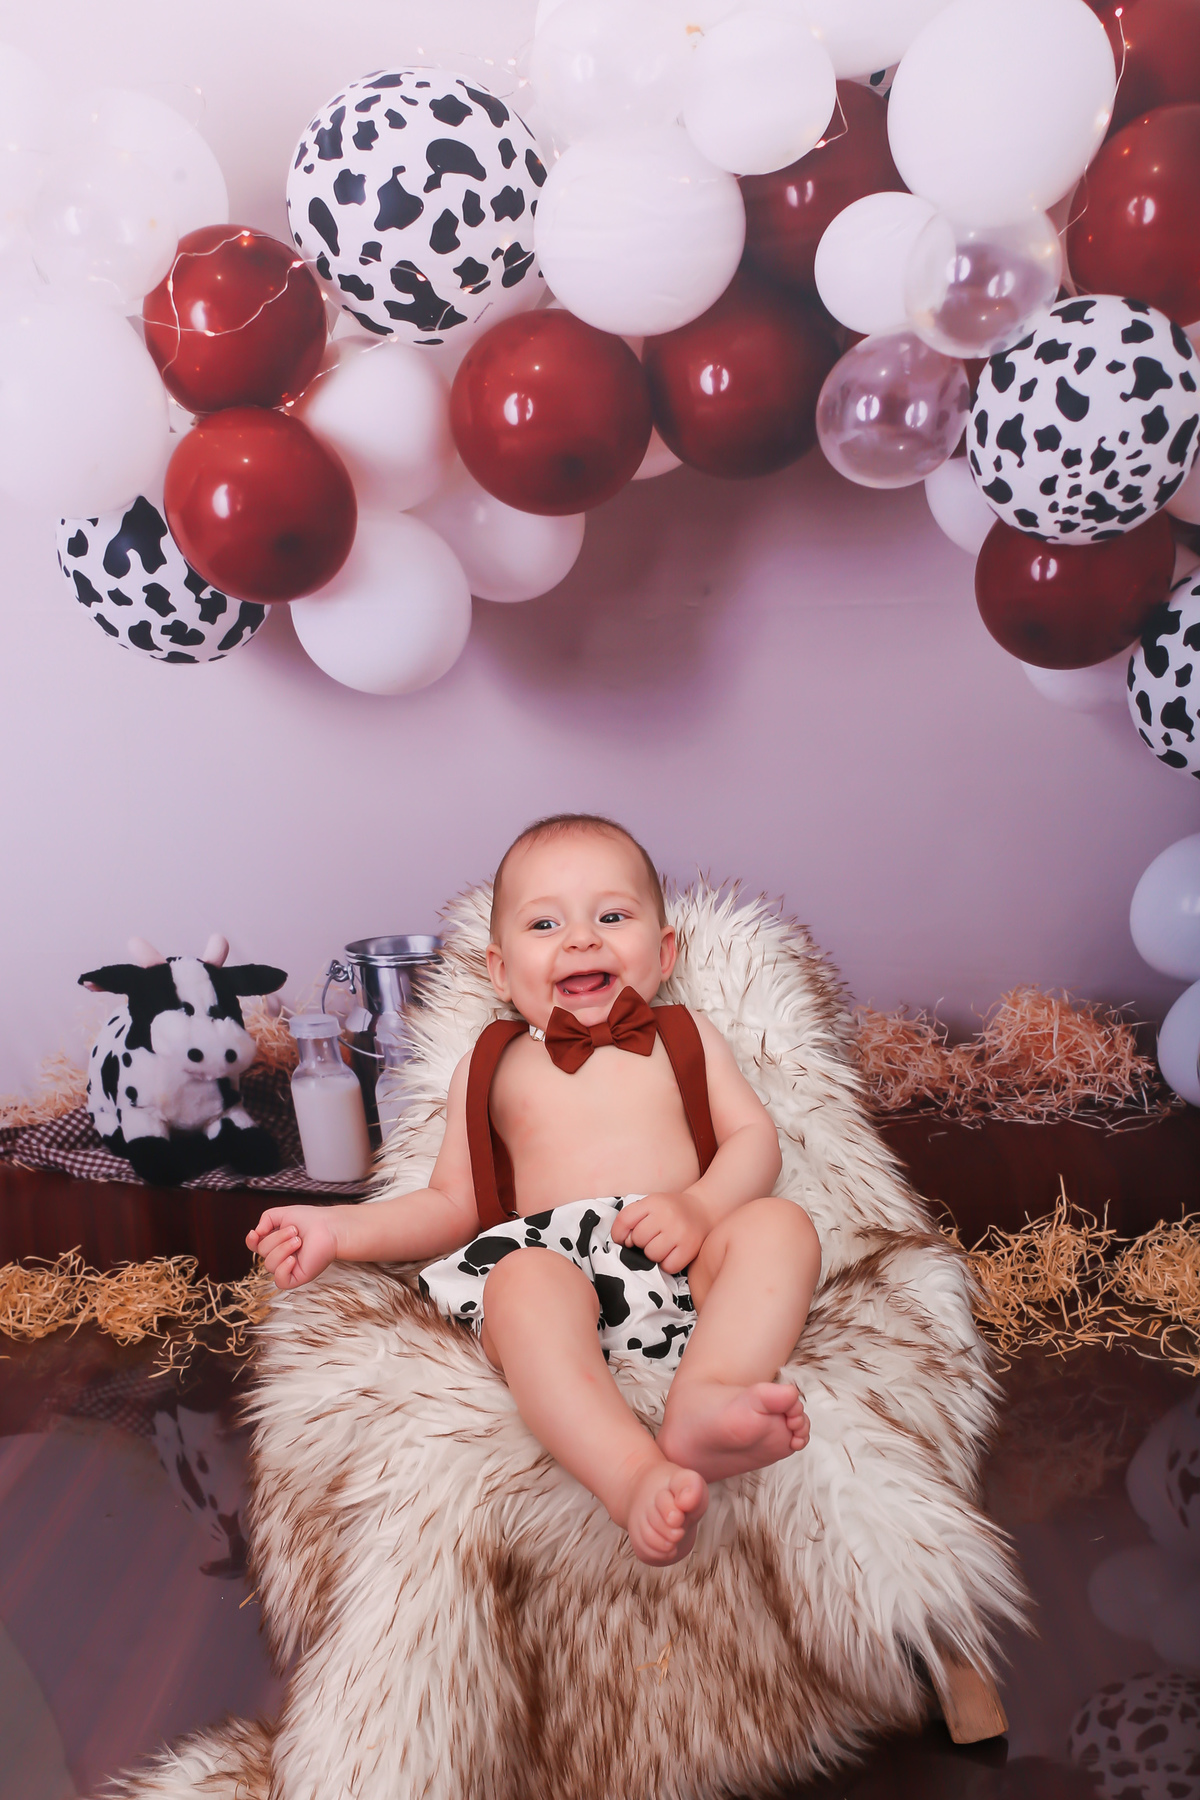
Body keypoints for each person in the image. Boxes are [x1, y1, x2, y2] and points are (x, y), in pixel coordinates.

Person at [247, 814, 822, 1565]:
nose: (580, 940)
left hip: (681, 1259)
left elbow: (754, 1140)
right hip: (556, 1272)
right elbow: (449, 1203)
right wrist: (336, 1230)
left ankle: (707, 1397)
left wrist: (701, 1206)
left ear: (664, 951)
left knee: (782, 1227)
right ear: (499, 969)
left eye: (611, 917)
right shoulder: (491, 1061)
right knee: (523, 1284)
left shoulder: (687, 1035)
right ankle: (629, 1473)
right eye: (545, 924)